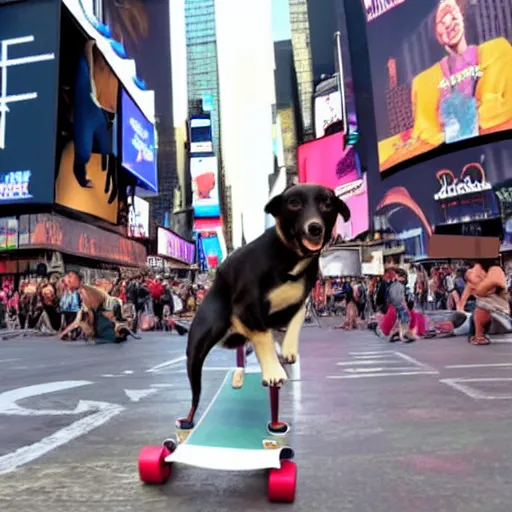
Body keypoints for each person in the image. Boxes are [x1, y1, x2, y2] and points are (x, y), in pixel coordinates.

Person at [458, 260, 511, 345]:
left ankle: (477, 335)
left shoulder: (493, 274)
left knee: (478, 312)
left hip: (497, 306)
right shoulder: (471, 285)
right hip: (488, 307)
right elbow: (463, 300)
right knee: (476, 313)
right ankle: (476, 336)